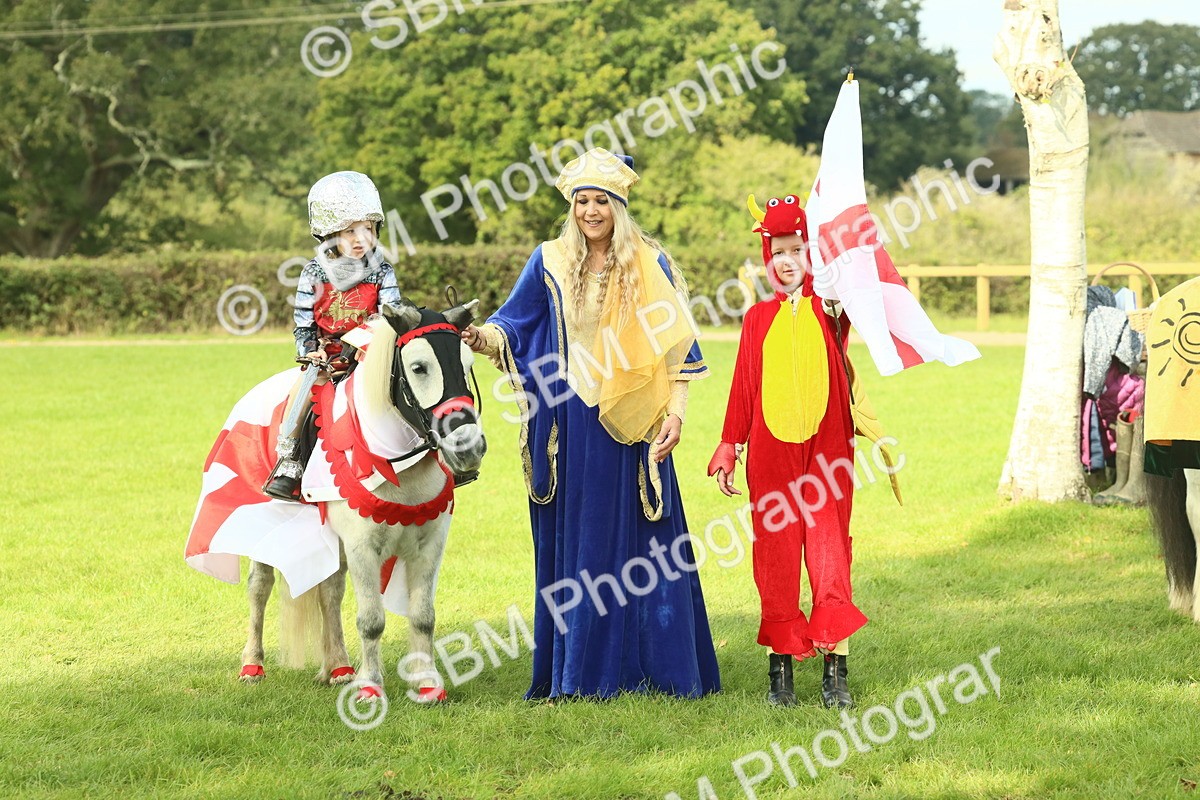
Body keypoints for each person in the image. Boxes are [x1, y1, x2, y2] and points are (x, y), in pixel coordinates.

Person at [462, 148, 720, 700]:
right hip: (570, 424)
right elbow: (514, 321)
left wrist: (676, 412)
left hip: (634, 420)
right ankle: (582, 672)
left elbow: (678, 346)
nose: (591, 210)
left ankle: (656, 668)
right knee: (579, 540)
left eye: (602, 200)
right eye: (582, 200)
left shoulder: (651, 261)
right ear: (571, 206)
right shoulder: (550, 260)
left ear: (619, 206)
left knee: (644, 546)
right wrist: (480, 338)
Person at [707, 193, 887, 709]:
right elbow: (743, 387)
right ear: (768, 259)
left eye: (797, 250)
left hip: (828, 453)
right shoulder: (756, 319)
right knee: (777, 552)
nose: (787, 261)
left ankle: (836, 669)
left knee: (830, 550)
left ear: (814, 254)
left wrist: (836, 285)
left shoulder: (830, 309)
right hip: (771, 454)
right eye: (778, 252)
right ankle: (780, 669)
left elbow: (858, 289)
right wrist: (729, 444)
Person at [262, 171, 402, 502]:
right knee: (304, 390)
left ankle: (435, 454)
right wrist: (310, 352)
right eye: (350, 230)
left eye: (367, 228)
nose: (360, 238)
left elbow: (390, 315)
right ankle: (290, 462)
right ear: (330, 235)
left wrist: (367, 346)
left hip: (370, 355)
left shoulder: (382, 271)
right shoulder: (313, 272)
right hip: (327, 359)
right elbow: (304, 322)